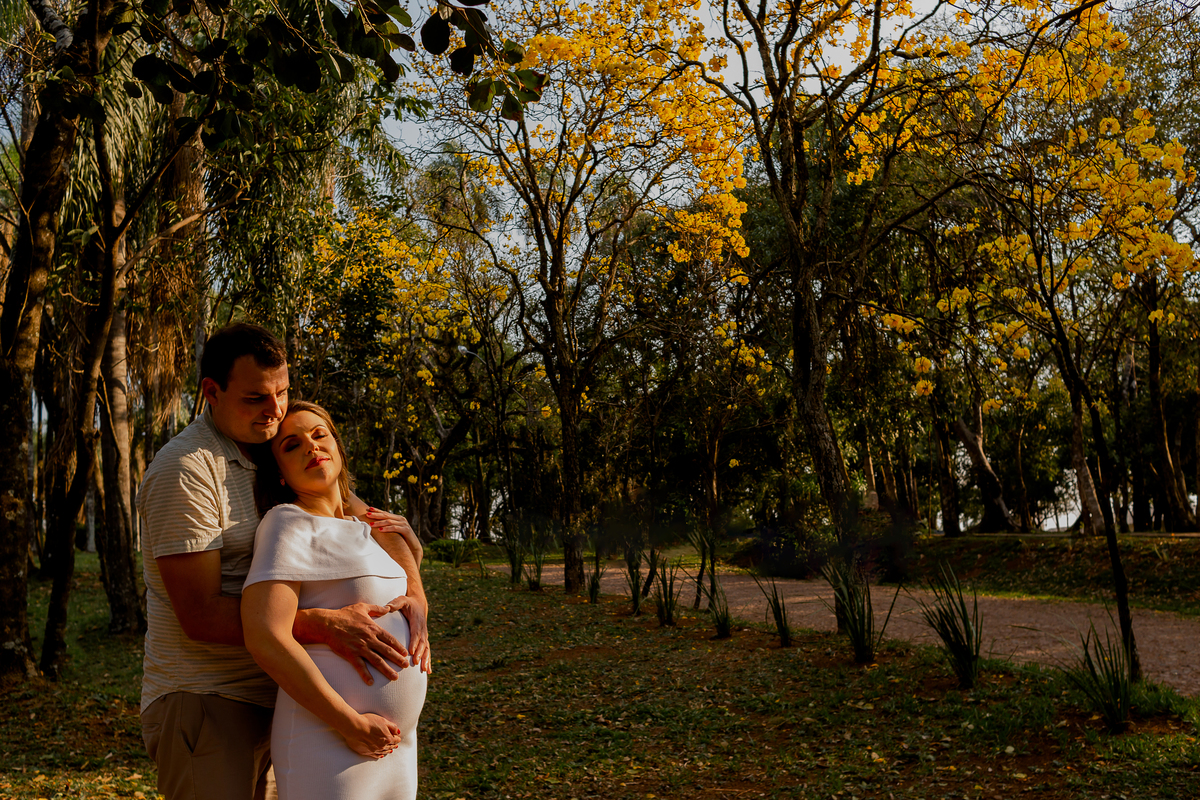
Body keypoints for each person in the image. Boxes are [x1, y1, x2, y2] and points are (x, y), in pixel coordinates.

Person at [137, 322, 427, 800]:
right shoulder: (187, 470)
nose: (276, 411)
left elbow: (376, 523)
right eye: (256, 398)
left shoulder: (280, 455)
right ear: (212, 391)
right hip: (209, 700)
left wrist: (415, 595)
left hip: (285, 699)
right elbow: (201, 614)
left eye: (283, 392)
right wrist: (322, 625)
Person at [242, 401, 428, 800]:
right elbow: (265, 637)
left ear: (339, 448)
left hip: (398, 746)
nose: (311, 446)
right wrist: (350, 724)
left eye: (319, 434)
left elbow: (396, 590)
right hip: (329, 738)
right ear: (279, 472)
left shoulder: (367, 526)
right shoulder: (287, 522)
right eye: (292, 445)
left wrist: (417, 575)